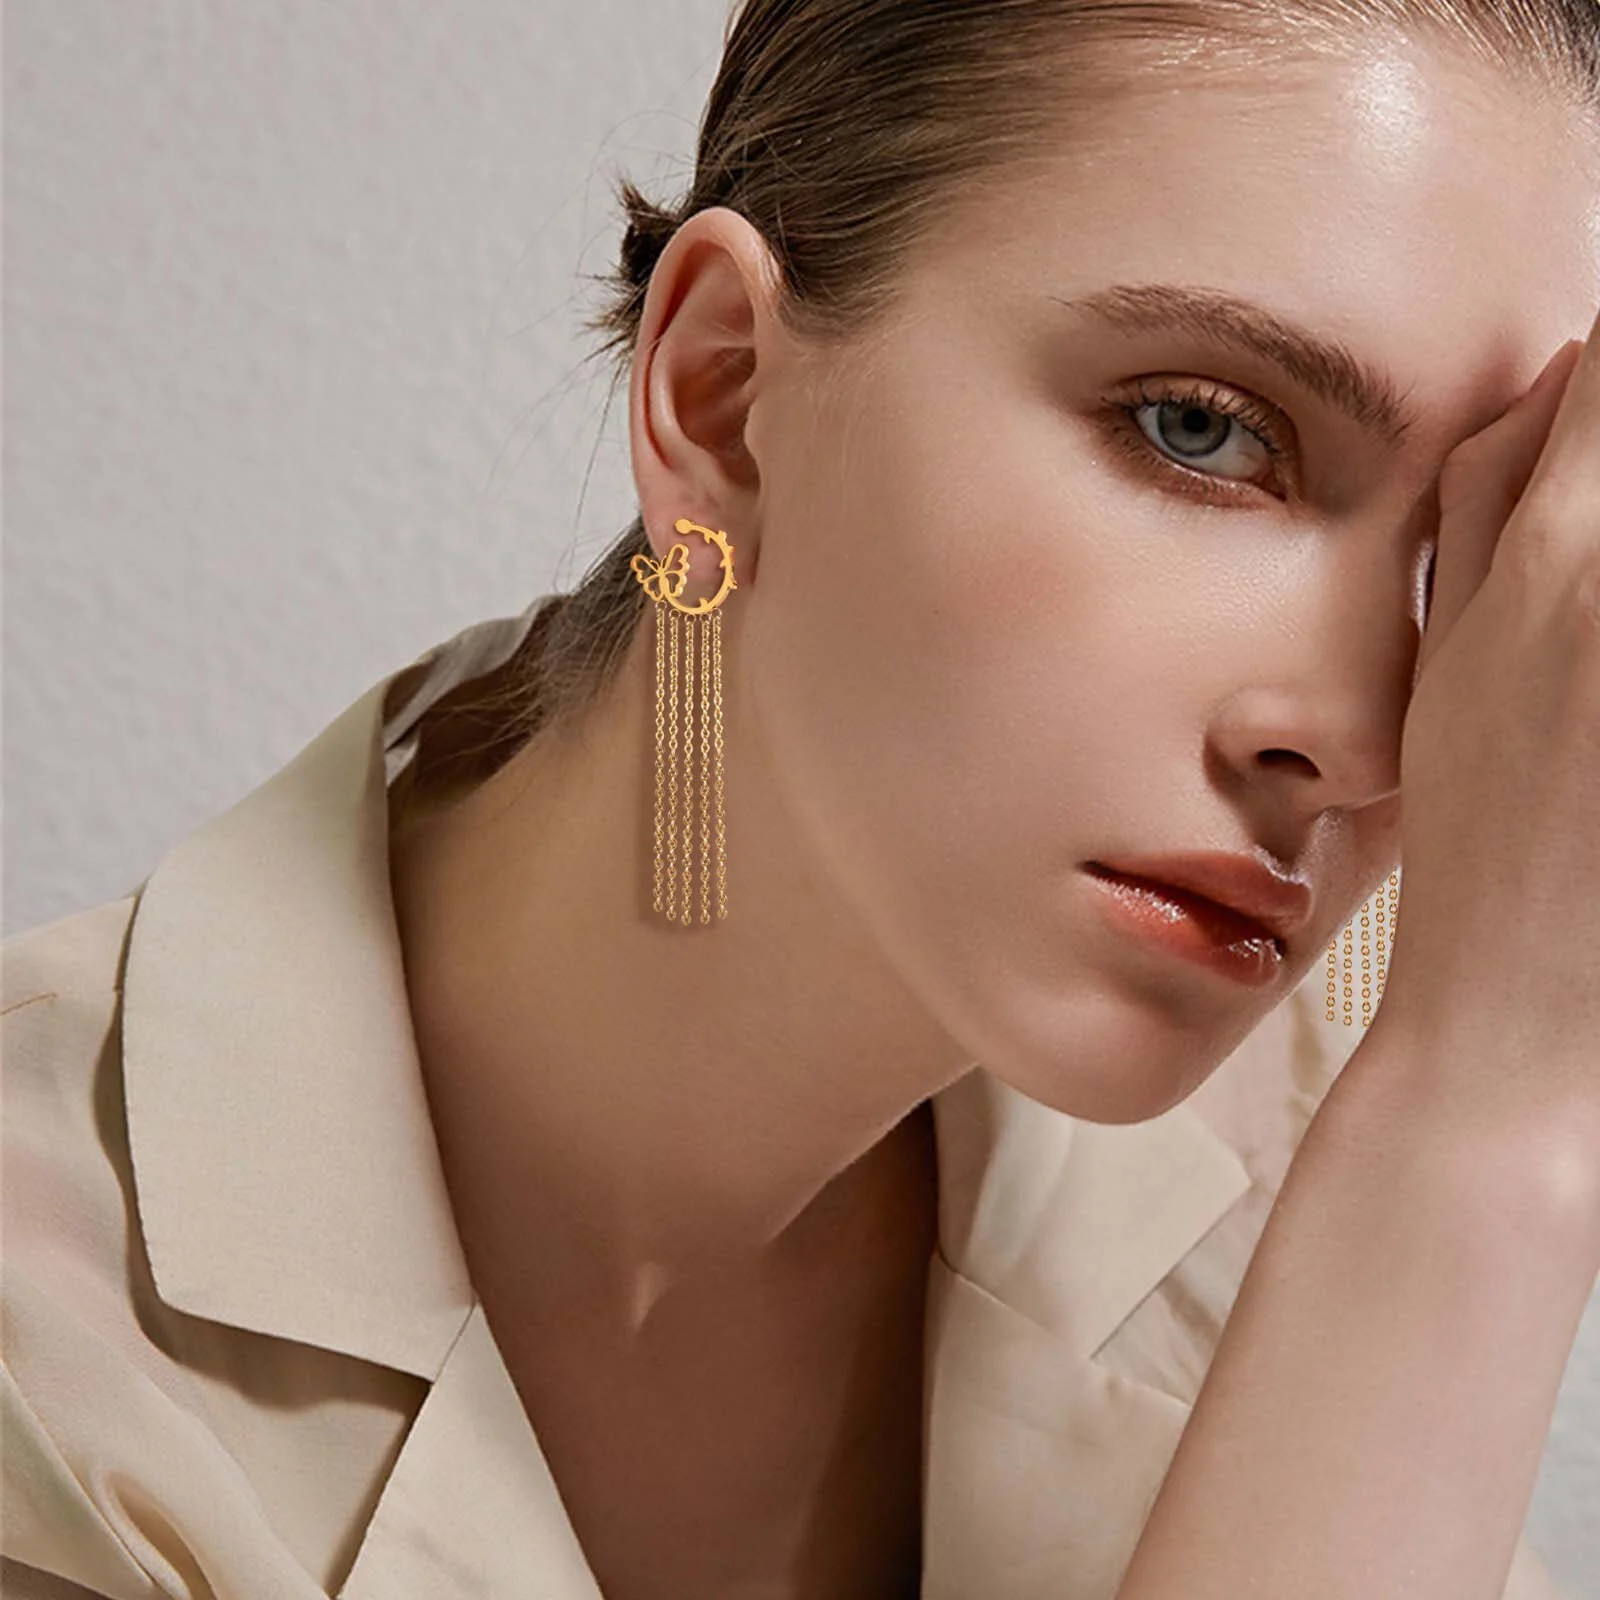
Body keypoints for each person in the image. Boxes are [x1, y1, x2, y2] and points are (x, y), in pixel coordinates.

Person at [3, 0, 1597, 1595]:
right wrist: (1473, 1148)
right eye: (1203, 431)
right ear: (721, 394)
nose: (1367, 743)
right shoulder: (44, 1352)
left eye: (1474, 564)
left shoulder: (1344, 1145)